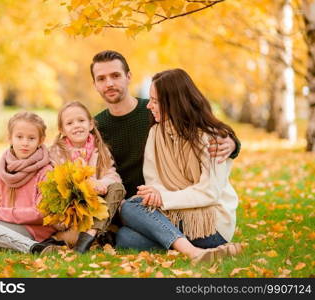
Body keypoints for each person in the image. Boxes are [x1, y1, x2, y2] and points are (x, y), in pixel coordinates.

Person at [91, 50, 240, 229]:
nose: (109, 83)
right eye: (101, 79)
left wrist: (232, 143)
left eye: (115, 75)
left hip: (162, 202)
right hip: (131, 204)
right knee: (125, 237)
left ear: (128, 76)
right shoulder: (95, 127)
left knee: (130, 226)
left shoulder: (156, 111)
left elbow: (200, 124)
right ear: (94, 84)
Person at [116, 68, 242, 264]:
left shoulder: (212, 138)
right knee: (124, 237)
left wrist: (162, 199)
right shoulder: (156, 134)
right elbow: (154, 183)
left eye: (155, 101)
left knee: (130, 208)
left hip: (211, 225)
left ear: (174, 102)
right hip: (173, 217)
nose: (149, 106)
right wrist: (155, 197)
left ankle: (191, 250)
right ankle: (193, 250)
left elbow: (210, 192)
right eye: (150, 99)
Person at [0, 112, 63, 254]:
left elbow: (42, 213)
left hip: (37, 229)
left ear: (41, 140)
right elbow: (4, 206)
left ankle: (33, 247)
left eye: (31, 138)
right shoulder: (3, 171)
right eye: (19, 137)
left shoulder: (46, 171)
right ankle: (28, 246)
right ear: (10, 138)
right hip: (13, 225)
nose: (25, 143)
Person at [49, 101, 125, 253]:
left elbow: (113, 175)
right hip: (73, 209)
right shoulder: (56, 153)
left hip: (98, 205)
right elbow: (56, 183)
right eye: (70, 123)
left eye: (81, 121)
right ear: (62, 129)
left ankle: (90, 234)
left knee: (117, 188)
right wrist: (84, 185)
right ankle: (92, 236)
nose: (76, 125)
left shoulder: (100, 149)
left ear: (90, 124)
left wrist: (100, 183)